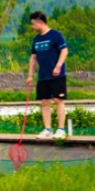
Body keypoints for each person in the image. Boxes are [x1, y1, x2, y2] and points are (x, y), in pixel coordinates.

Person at [26, 11, 69, 140]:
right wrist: (30, 75)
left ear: (40, 23)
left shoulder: (56, 35)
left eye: (33, 24)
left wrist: (58, 66)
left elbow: (64, 50)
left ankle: (61, 129)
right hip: (43, 76)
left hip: (57, 75)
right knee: (45, 102)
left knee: (58, 100)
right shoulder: (36, 40)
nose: (33, 27)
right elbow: (33, 58)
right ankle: (47, 129)